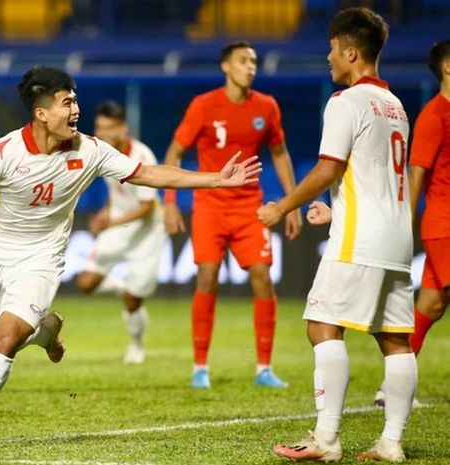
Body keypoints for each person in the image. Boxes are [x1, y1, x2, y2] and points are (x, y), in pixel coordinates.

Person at [0, 66, 262, 451]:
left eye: (75, 99)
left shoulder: (90, 150)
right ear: (41, 113)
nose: (76, 109)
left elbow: (149, 174)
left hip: (42, 259)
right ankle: (46, 332)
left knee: (5, 344)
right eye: (67, 102)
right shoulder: (1, 152)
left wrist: (215, 179)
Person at [259, 8, 416, 462]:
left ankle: (325, 441)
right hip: (397, 237)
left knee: (322, 325)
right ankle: (391, 443)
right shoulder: (396, 106)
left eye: (331, 48)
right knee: (395, 338)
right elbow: (375, 175)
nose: (328, 57)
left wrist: (281, 205)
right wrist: (337, 207)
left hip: (361, 238)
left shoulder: (345, 101)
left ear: (351, 51)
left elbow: (329, 167)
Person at [163, 40, 302, 389]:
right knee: (207, 276)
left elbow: (280, 152)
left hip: (248, 207)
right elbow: (176, 151)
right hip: (210, 205)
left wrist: (291, 202)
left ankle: (264, 368)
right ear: (226, 66)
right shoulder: (204, 105)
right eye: (243, 61)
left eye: (253, 61)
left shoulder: (267, 107)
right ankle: (200, 368)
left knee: (263, 277)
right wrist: (169, 201)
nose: (250, 67)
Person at [373, 39, 450, 408]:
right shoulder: (435, 115)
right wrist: (405, 221)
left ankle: (391, 386)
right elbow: (415, 173)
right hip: (444, 225)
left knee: (432, 304)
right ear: (447, 68)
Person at [76, 100, 167, 364]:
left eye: (109, 128)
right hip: (118, 224)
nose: (103, 134)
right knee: (86, 283)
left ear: (123, 128)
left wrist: (109, 223)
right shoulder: (103, 152)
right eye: (99, 128)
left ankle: (136, 347)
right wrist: (106, 211)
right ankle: (119, 285)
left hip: (146, 232)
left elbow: (147, 208)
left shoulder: (142, 156)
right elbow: (117, 192)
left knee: (134, 299)